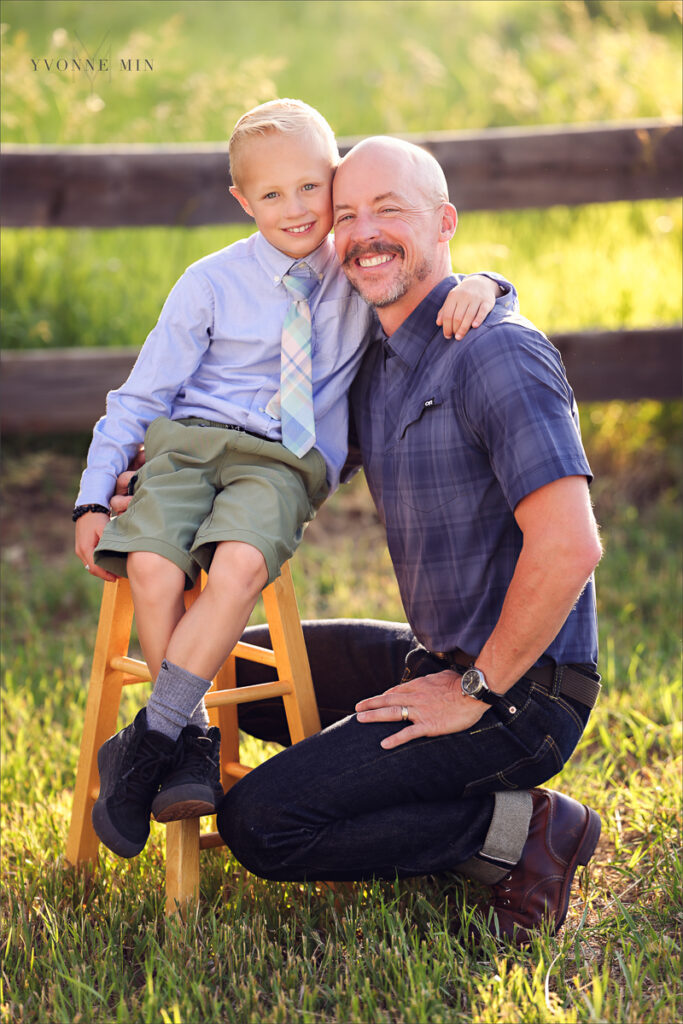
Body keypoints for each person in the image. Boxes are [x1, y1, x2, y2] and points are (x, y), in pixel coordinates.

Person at [73, 101, 512, 860]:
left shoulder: (354, 271)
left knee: (238, 564)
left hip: (281, 459)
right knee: (151, 562)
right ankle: (189, 738)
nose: (297, 210)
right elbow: (139, 398)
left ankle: (148, 740)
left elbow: (422, 275)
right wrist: (92, 491)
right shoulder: (210, 282)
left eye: (312, 189)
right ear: (242, 202)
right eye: (271, 195)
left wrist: (491, 284)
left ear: (333, 183)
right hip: (185, 449)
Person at [209, 136, 603, 947]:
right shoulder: (375, 364)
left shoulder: (497, 353)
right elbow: (281, 455)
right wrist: (147, 475)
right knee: (238, 672)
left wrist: (473, 691)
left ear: (445, 221)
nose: (364, 232)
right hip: (437, 656)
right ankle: (429, 789)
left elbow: (570, 546)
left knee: (263, 823)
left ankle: (518, 835)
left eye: (389, 210)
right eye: (346, 215)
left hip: (520, 692)